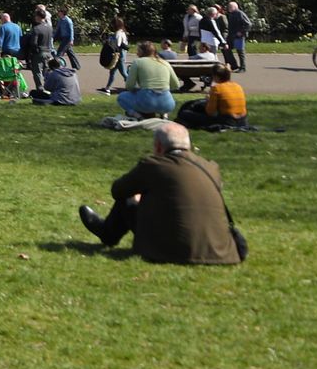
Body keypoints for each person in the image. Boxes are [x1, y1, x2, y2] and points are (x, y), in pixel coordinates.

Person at [77, 123, 242, 264]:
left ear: (158, 146)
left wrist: (139, 197)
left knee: (127, 196)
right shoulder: (211, 167)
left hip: (168, 252)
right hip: (221, 253)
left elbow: (118, 190)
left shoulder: (153, 165)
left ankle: (107, 233)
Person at [99, 17, 131, 94]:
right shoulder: (121, 32)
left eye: (113, 24)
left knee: (123, 73)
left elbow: (117, 45)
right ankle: (107, 88)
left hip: (119, 55)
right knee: (112, 72)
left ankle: (131, 87)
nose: (111, 25)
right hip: (119, 54)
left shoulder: (119, 33)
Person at [223, 1, 250, 72]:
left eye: (230, 7)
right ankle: (233, 65)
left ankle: (243, 67)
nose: (228, 8)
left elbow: (248, 24)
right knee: (226, 49)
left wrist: (241, 32)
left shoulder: (240, 13)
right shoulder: (230, 14)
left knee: (240, 52)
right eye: (228, 6)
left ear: (235, 7)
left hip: (238, 37)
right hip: (231, 35)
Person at [55, 6, 79, 70]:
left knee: (59, 52)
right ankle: (76, 66)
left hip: (67, 39)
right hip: (63, 38)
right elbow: (57, 29)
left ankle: (58, 66)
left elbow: (71, 31)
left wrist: (71, 40)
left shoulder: (68, 20)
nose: (58, 13)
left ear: (62, 12)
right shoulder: (60, 20)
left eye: (59, 11)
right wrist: (54, 36)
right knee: (70, 53)